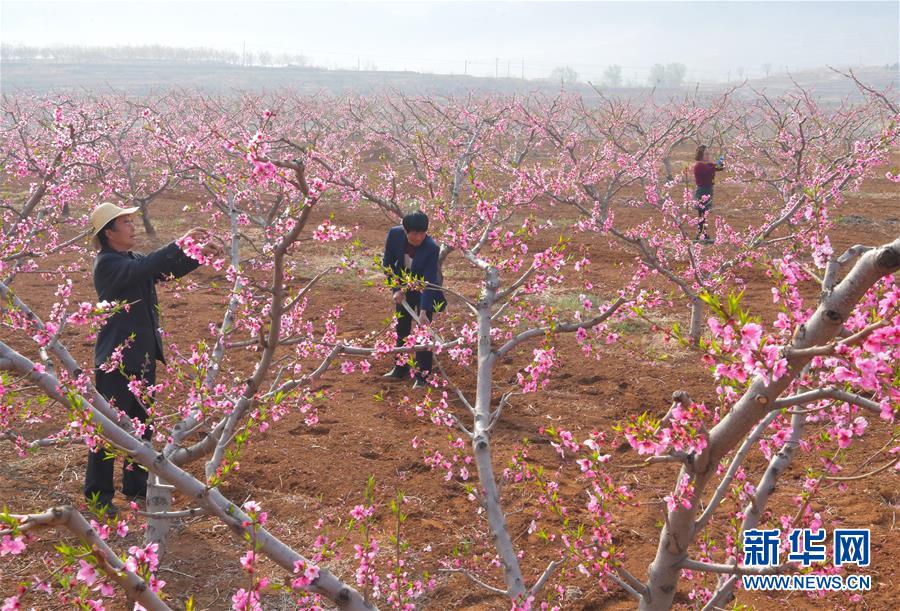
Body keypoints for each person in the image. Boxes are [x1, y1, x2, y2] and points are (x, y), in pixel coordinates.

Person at [84, 202, 221, 514]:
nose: (133, 226)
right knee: (108, 432)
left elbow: (162, 270)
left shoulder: (130, 258)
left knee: (142, 428)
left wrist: (197, 255)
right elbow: (145, 269)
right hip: (116, 362)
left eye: (133, 220)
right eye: (126, 222)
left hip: (142, 357)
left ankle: (135, 488)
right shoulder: (107, 263)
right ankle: (99, 497)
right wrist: (181, 242)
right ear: (109, 232)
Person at [381, 210, 446, 389]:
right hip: (403, 286)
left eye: (422, 233)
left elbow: (429, 280)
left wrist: (424, 311)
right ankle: (399, 368)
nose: (418, 237)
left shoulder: (432, 247)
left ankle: (422, 375)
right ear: (405, 230)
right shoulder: (394, 235)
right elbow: (387, 264)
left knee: (423, 332)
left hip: (426, 289)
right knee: (402, 326)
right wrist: (396, 289)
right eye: (414, 233)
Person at [692, 144, 725, 244]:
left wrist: (722, 160)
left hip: (708, 191)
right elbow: (708, 171)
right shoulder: (698, 166)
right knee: (702, 215)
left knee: (704, 215)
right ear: (701, 155)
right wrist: (716, 165)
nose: (708, 155)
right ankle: (701, 235)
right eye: (706, 154)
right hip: (702, 192)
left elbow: (720, 168)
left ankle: (703, 235)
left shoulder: (708, 165)